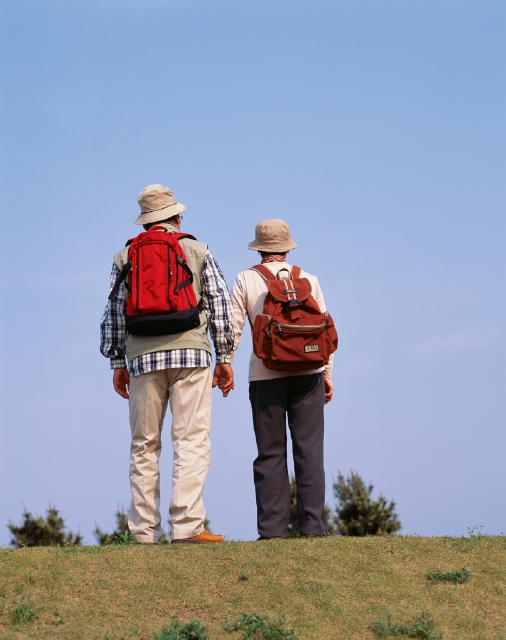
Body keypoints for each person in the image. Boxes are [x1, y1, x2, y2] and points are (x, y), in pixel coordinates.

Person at [100, 184, 234, 544]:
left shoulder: (125, 256)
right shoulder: (197, 249)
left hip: (142, 360)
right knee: (190, 440)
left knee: (144, 444)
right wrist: (224, 357)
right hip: (191, 355)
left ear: (146, 223)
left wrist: (117, 361)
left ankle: (144, 532)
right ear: (176, 216)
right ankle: (188, 527)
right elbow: (220, 304)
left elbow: (113, 313)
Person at [230, 219, 334, 539]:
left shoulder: (246, 279)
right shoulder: (309, 279)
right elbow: (324, 328)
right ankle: (313, 530)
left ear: (259, 248)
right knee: (310, 453)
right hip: (309, 374)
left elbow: (233, 327)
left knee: (271, 454)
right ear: (288, 247)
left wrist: (224, 364)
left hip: (265, 375)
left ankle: (273, 533)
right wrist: (327, 375)